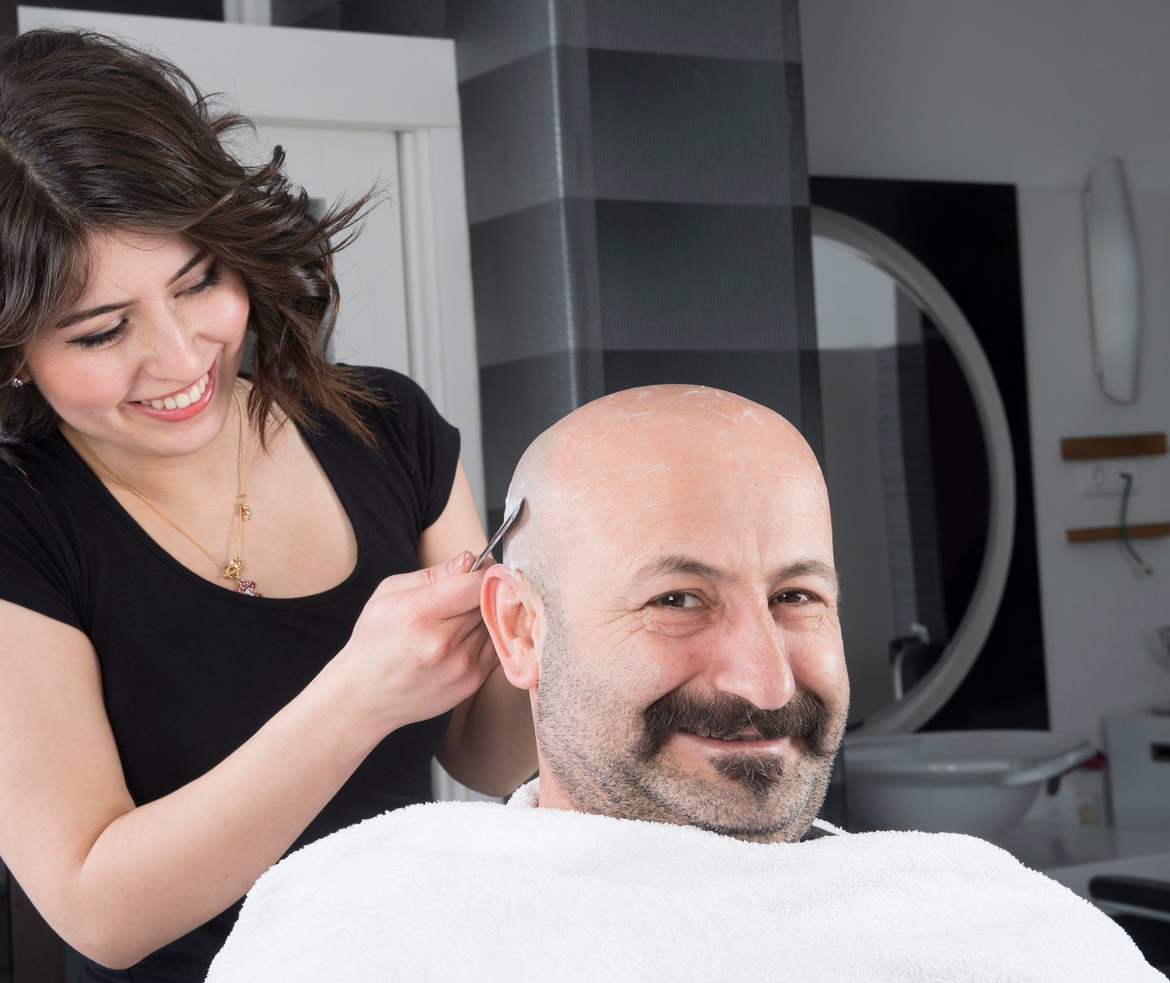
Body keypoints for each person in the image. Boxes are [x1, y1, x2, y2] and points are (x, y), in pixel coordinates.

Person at [0, 29, 535, 982]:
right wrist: (356, 695)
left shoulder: (383, 426)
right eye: (101, 330)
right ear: (7, 349)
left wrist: (582, 624)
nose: (178, 358)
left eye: (198, 281)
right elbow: (99, 907)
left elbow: (492, 756)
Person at [205, 385, 1162, 982]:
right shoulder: (363, 927)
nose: (762, 677)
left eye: (795, 594)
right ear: (518, 626)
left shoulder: (1007, 928)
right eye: (677, 598)